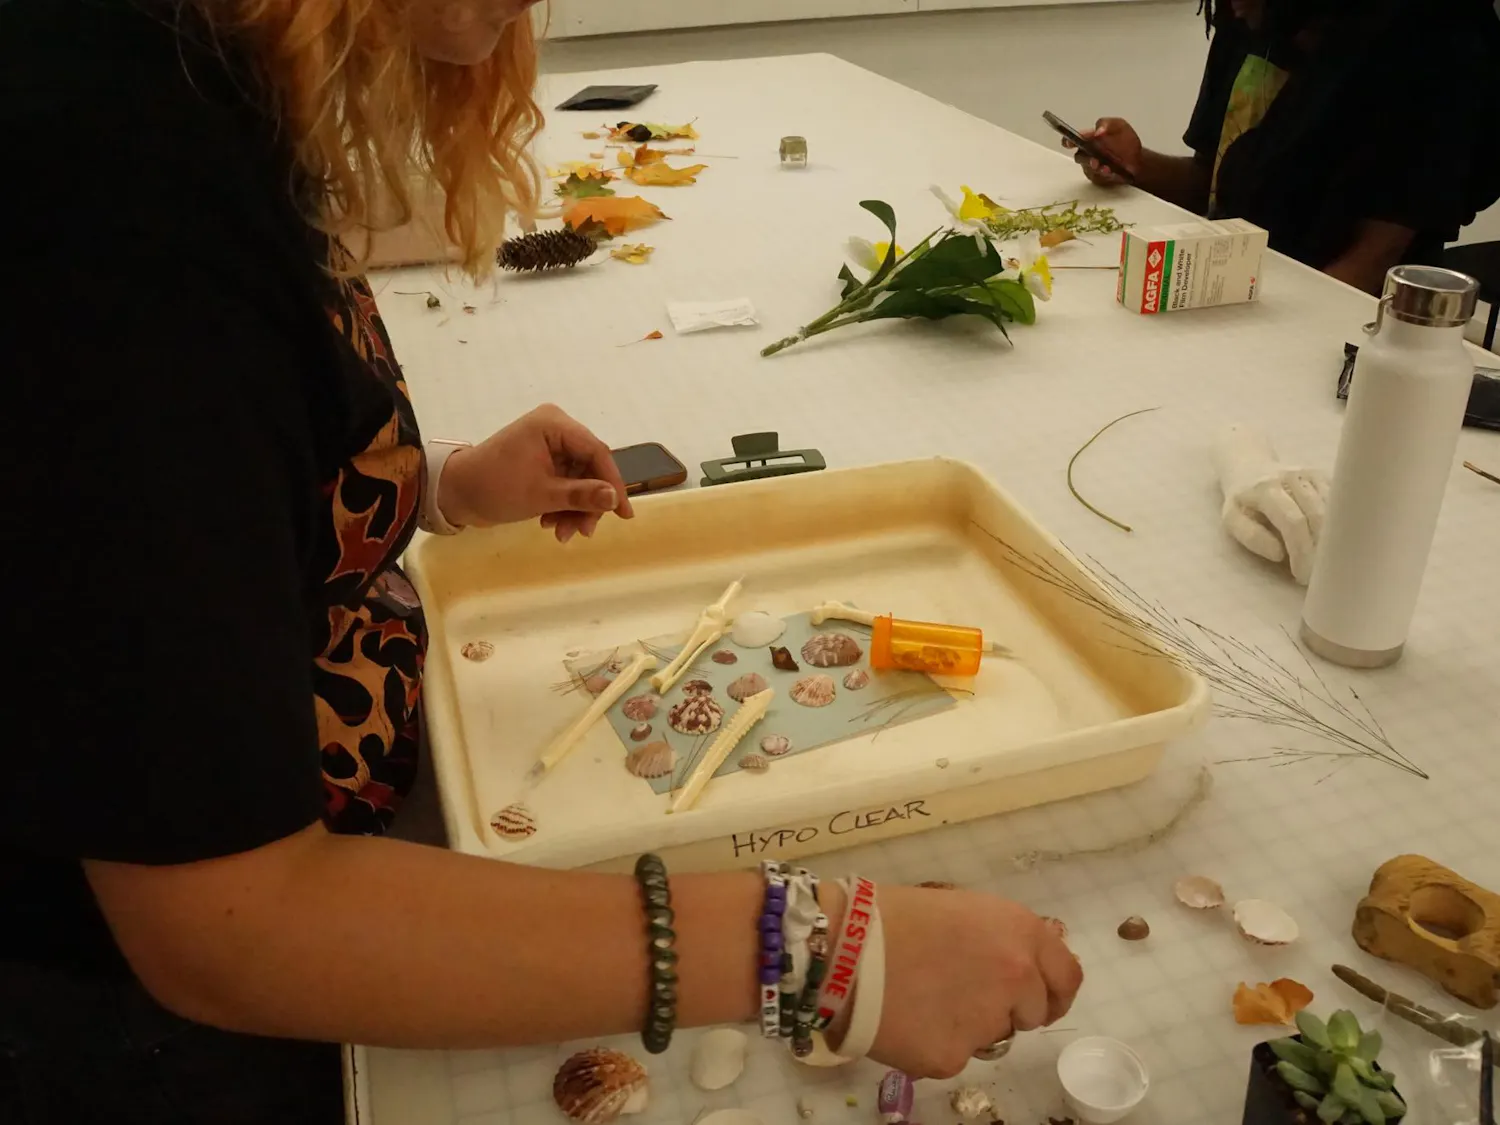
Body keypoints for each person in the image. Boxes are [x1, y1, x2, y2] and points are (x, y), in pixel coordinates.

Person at [1, 0, 1083, 1121]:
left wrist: (437, 488)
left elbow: (156, 512)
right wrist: (817, 950)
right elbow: (227, 930)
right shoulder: (101, 196)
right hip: (121, 1008)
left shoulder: (207, 81)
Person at [1067, 0, 1500, 294]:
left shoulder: (1431, 41)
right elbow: (1211, 183)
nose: (1232, 8)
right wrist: (1137, 165)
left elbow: (1371, 263)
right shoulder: (1250, 21)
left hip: (1347, 325)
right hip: (1235, 291)